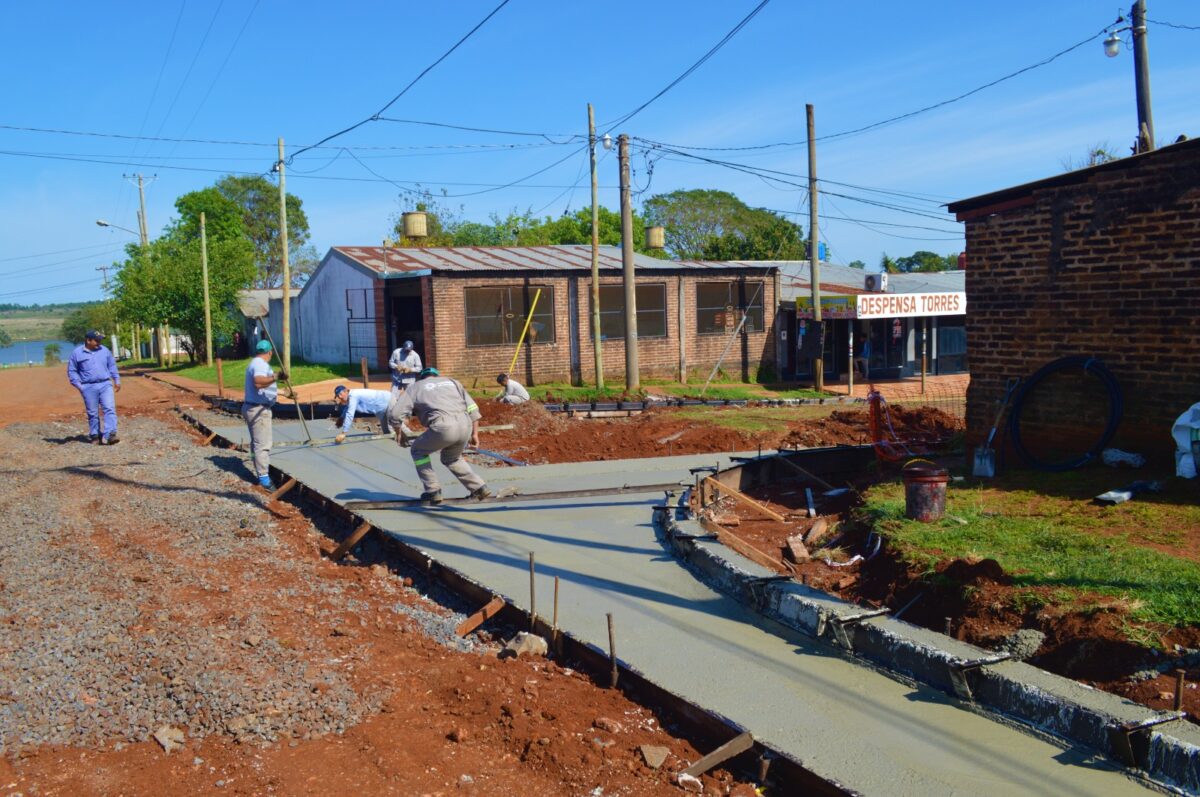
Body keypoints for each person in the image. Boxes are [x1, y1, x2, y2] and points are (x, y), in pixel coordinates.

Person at [388, 367, 491, 505]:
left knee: (418, 451)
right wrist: (475, 434)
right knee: (452, 458)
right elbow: (473, 409)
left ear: (422, 378)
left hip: (444, 426)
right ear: (437, 376)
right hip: (466, 425)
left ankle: (433, 491)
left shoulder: (415, 387)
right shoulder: (453, 382)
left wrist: (399, 433)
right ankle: (479, 488)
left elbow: (395, 415)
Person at [242, 340, 285, 489]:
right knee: (263, 445)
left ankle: (260, 472)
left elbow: (263, 389)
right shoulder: (260, 364)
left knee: (257, 444)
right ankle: (264, 479)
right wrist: (276, 377)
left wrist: (284, 393)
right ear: (270, 352)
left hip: (253, 406)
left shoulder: (255, 363)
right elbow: (259, 382)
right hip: (258, 410)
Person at [67, 330, 121, 444]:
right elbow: (72, 371)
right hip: (88, 386)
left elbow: (112, 365)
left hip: (105, 384)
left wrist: (116, 380)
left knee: (109, 408)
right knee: (92, 412)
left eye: (100, 340)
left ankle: (110, 434)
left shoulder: (105, 350)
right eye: (97, 340)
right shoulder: (77, 353)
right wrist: (79, 386)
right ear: (88, 340)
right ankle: (95, 435)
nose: (99, 342)